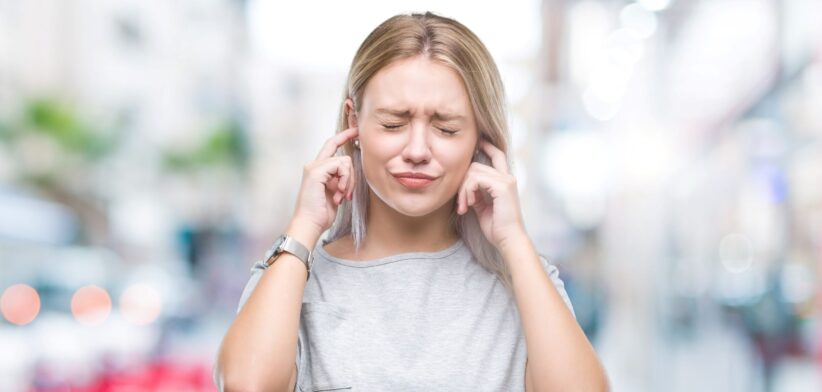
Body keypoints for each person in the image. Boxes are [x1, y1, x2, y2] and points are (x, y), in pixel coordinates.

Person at [215, 11, 608, 391]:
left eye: (446, 128)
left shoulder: (523, 281)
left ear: (480, 136)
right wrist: (302, 228)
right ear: (354, 122)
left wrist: (514, 241)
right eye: (393, 124)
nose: (417, 150)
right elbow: (248, 386)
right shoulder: (290, 274)